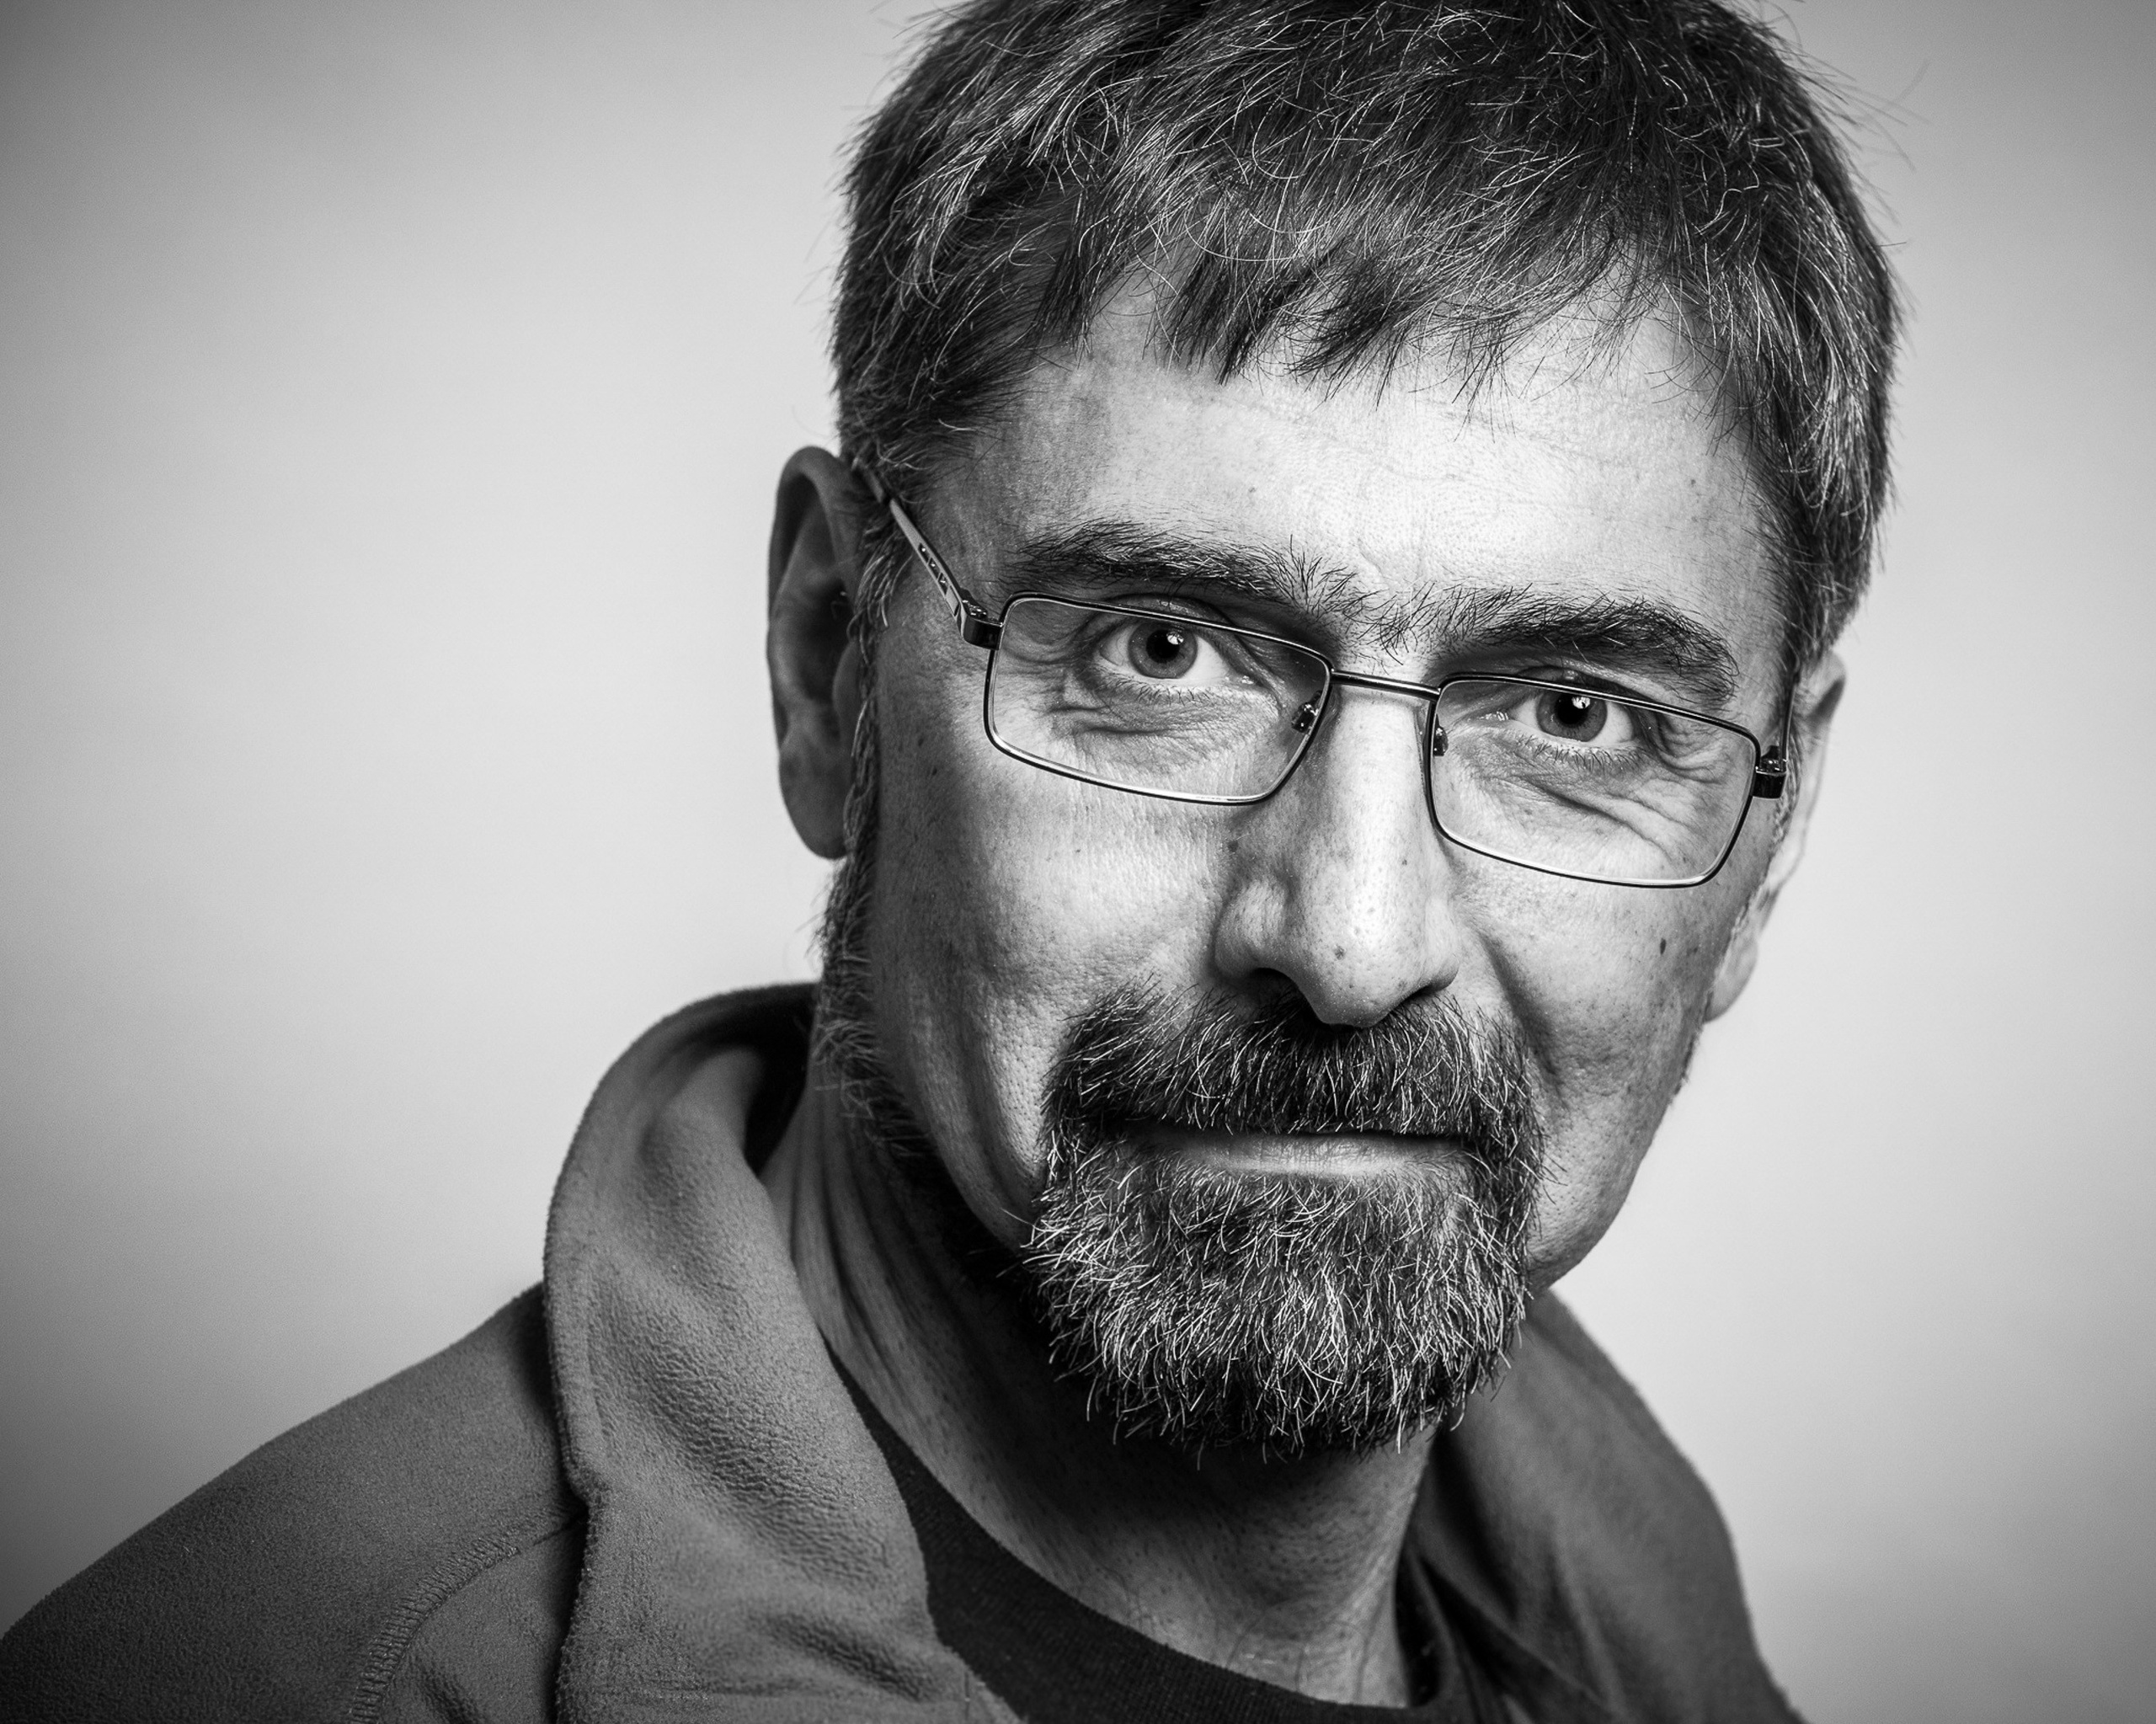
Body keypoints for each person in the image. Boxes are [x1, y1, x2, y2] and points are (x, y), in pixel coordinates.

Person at [0, 2, 1897, 1719]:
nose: (1347, 934)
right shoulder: (266, 1681)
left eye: (1571, 716)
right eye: (1158, 652)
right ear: (832, 663)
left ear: (1769, 825)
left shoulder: (1647, 1617)